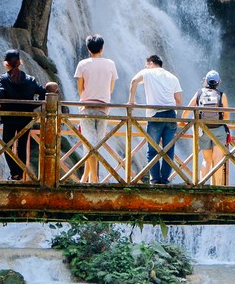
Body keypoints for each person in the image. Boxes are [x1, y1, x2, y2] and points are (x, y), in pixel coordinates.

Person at [0, 49, 48, 181]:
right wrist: (32, 105)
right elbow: (43, 92)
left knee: (7, 146)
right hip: (26, 118)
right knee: (22, 147)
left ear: (6, 64)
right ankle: (21, 173)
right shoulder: (30, 80)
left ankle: (15, 174)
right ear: (20, 62)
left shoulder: (3, 79)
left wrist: (4, 102)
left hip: (9, 118)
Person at [129, 55, 182, 184]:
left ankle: (155, 180)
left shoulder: (147, 72)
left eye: (146, 64)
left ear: (151, 63)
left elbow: (134, 81)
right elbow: (178, 100)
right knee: (168, 150)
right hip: (170, 116)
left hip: (155, 115)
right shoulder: (172, 77)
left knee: (152, 150)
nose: (145, 67)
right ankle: (164, 180)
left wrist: (131, 101)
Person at [73, 34, 119, 183]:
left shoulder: (82, 64)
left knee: (90, 144)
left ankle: (90, 177)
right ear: (102, 48)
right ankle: (90, 177)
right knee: (94, 145)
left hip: (86, 107)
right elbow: (111, 88)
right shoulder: (110, 64)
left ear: (88, 49)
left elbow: (80, 89)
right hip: (103, 108)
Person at [185, 70, 230, 186]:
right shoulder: (221, 95)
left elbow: (187, 110)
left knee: (206, 160)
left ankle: (201, 185)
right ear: (218, 82)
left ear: (206, 81)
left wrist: (182, 122)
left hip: (203, 129)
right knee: (217, 160)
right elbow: (226, 116)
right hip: (219, 130)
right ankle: (217, 186)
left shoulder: (199, 93)